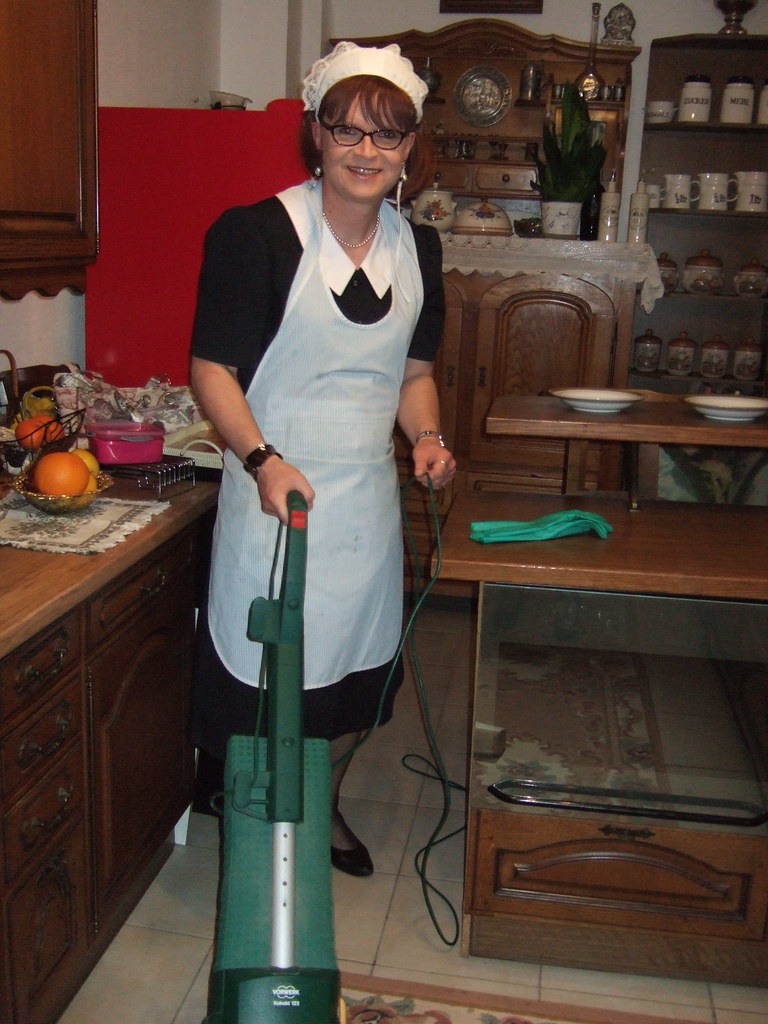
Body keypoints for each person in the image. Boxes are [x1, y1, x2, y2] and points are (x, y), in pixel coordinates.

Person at [188, 41, 456, 877]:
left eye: (386, 136)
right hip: (272, 495)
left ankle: (323, 802)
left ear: (411, 147)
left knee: (348, 682)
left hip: (363, 508)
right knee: (261, 680)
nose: (366, 152)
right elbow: (212, 372)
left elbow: (413, 374)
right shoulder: (255, 235)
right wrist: (264, 460)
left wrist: (429, 437)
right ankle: (248, 815)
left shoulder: (421, 249)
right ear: (317, 136)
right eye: (347, 131)